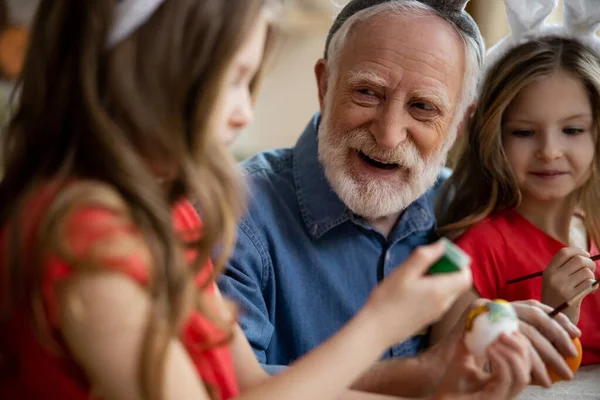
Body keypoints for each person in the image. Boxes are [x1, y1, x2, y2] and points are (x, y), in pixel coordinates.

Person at [0, 0, 533, 399]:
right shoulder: (88, 244)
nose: (244, 113)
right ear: (153, 75)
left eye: (248, 82)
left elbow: (251, 388)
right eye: (234, 80)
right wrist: (383, 325)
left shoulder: (173, 219)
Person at [218, 0, 582, 396]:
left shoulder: (467, 207)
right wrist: (421, 373)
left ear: (459, 122)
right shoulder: (232, 214)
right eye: (367, 92)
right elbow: (225, 386)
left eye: (423, 107)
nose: (388, 134)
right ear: (325, 86)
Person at [435, 0, 600, 367]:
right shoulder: (474, 251)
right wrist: (553, 311)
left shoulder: (595, 229)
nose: (550, 151)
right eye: (524, 132)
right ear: (494, 136)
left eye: (572, 130)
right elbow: (440, 371)